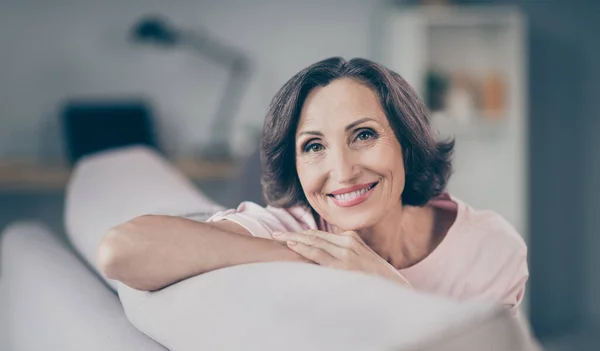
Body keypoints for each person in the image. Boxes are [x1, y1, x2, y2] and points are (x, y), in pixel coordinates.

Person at [99, 57, 528, 312]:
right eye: (314, 146)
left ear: (406, 141)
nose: (341, 171)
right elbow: (122, 250)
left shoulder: (488, 248)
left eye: (363, 135)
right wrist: (317, 261)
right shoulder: (289, 230)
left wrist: (389, 289)